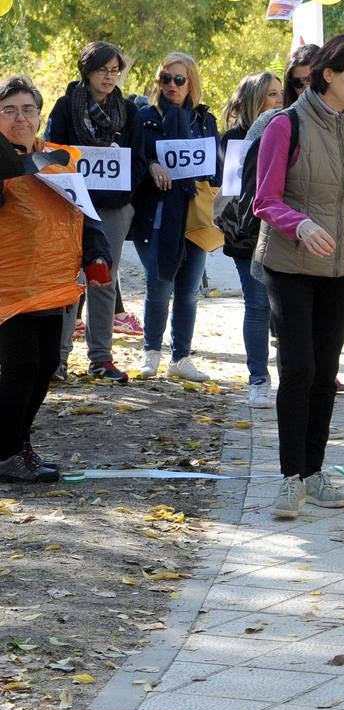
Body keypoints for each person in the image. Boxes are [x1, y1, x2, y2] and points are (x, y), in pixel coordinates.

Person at [253, 35, 344, 519]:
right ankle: (289, 478)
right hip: (290, 266)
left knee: (326, 373)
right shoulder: (284, 125)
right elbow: (265, 200)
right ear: (328, 73)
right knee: (298, 370)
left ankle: (314, 473)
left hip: (342, 269)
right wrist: (301, 224)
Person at [1, 76, 112, 482]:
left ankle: (16, 445)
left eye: (27, 109)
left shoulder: (57, 159)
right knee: (21, 367)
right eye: (9, 110)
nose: (19, 118)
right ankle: (7, 452)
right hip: (7, 289)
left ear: (39, 115)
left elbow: (83, 213)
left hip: (52, 284)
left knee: (47, 363)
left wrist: (96, 255)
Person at [45, 41, 145, 383]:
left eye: (116, 70)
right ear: (88, 71)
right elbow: (51, 153)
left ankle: (101, 358)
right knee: (70, 278)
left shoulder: (129, 111)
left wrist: (124, 193)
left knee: (104, 278)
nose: (110, 76)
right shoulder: (65, 106)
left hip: (114, 208)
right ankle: (56, 359)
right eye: (104, 70)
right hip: (72, 205)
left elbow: (139, 159)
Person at [133, 52, 220, 382]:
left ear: (191, 82)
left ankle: (181, 357)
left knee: (188, 290)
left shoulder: (204, 120)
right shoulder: (143, 117)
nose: (171, 84)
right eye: (165, 78)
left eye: (178, 79)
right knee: (159, 284)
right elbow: (134, 159)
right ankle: (151, 353)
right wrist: (152, 167)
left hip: (195, 213)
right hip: (155, 215)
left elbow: (217, 166)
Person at [219, 71, 283, 408]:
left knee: (282, 310)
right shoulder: (234, 138)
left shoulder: (289, 130)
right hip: (247, 235)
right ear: (253, 99)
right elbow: (228, 191)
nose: (277, 101)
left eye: (279, 94)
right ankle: (258, 377)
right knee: (257, 306)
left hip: (284, 232)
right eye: (270, 94)